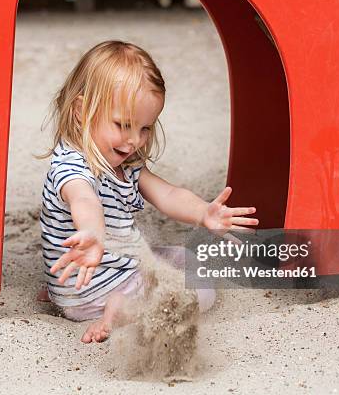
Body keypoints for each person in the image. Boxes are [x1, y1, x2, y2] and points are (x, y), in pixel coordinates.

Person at [38, 40, 258, 343]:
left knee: (182, 257)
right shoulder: (72, 168)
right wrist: (92, 233)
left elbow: (168, 195)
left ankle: (75, 296)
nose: (134, 141)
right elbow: (84, 199)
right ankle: (121, 311)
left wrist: (203, 212)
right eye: (123, 124)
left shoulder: (123, 163)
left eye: (144, 128)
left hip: (82, 279)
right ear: (80, 110)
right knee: (199, 289)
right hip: (96, 287)